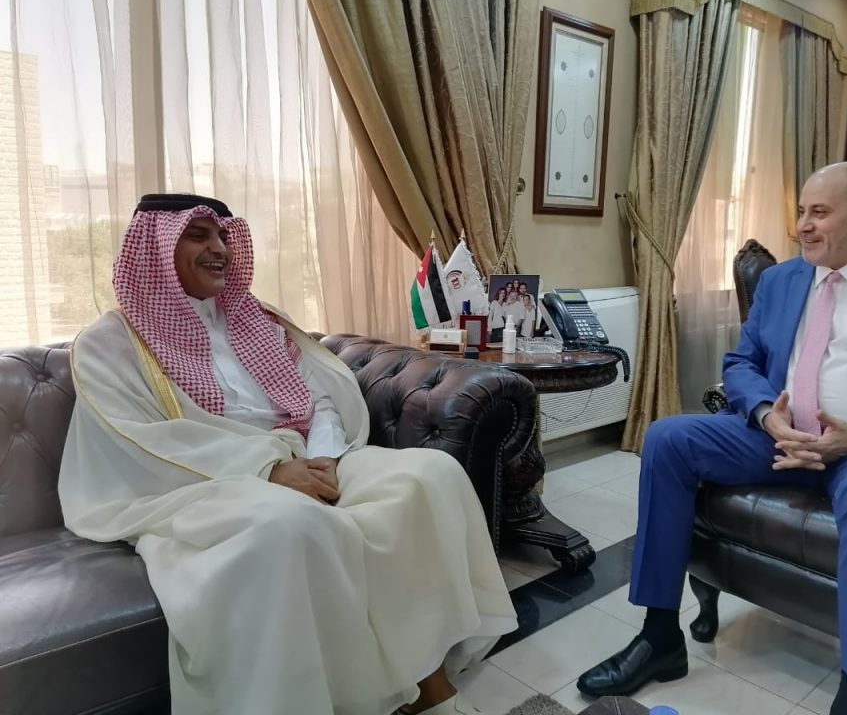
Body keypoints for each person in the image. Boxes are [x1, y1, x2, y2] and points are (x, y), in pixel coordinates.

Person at [58, 193, 517, 715]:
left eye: (223, 236)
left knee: (430, 475)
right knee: (296, 525)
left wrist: (326, 458)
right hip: (203, 482)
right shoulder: (109, 343)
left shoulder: (256, 320)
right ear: (155, 249)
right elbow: (138, 440)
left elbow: (315, 397)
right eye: (198, 236)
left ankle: (427, 680)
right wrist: (269, 471)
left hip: (306, 453)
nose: (219, 249)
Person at [576, 163, 847, 715]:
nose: (803, 226)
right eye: (801, 212)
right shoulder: (781, 280)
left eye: (820, 213)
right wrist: (768, 415)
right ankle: (659, 635)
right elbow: (742, 363)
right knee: (669, 438)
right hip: (779, 435)